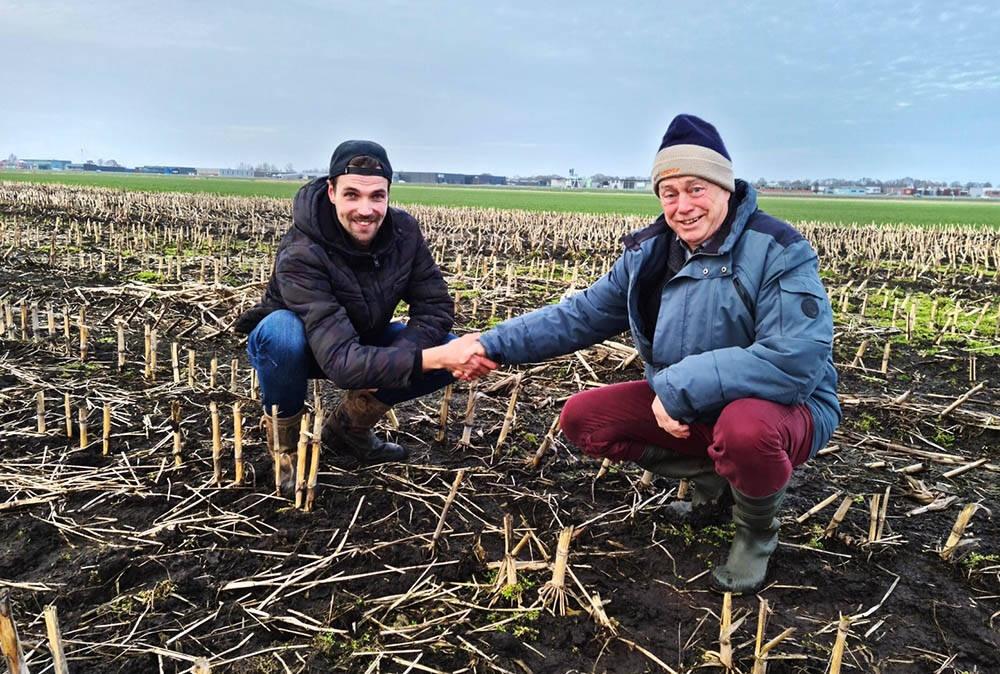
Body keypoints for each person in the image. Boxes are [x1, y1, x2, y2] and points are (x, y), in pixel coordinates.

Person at [445, 115, 840, 594]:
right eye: (669, 193)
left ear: (725, 188)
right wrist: (491, 343)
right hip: (691, 406)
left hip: (785, 410)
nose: (683, 205)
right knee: (585, 419)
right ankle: (716, 482)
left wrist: (675, 388)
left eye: (696, 188)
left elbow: (794, 359)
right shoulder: (648, 255)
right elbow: (580, 316)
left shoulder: (778, 249)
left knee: (745, 429)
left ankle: (756, 532)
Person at [235, 140, 494, 496]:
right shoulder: (301, 251)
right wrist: (417, 361)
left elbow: (434, 306)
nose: (365, 209)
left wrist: (396, 357)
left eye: (377, 196)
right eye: (352, 195)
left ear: (389, 194)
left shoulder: (404, 232)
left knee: (447, 347)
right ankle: (286, 454)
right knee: (281, 332)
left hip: (361, 342)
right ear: (331, 191)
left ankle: (348, 430)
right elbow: (342, 364)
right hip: (302, 350)